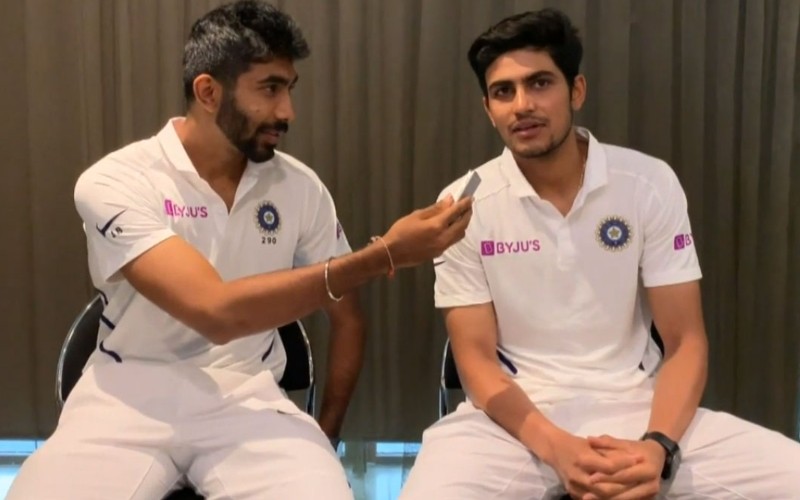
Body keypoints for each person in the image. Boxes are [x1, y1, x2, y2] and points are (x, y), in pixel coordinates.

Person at [7, 2, 472, 499]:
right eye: (270, 89)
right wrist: (385, 256)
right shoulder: (115, 180)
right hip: (126, 395)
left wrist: (326, 434)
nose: (287, 112)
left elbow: (348, 320)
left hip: (246, 395)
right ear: (208, 92)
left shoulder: (300, 188)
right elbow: (215, 312)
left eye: (290, 89)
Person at [401, 8, 800, 500]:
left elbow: (685, 340)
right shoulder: (461, 203)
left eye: (540, 83)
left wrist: (658, 447)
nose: (522, 105)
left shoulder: (648, 183)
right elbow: (476, 362)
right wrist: (558, 448)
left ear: (576, 90)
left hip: (640, 406)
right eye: (503, 91)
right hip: (513, 424)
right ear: (488, 108)